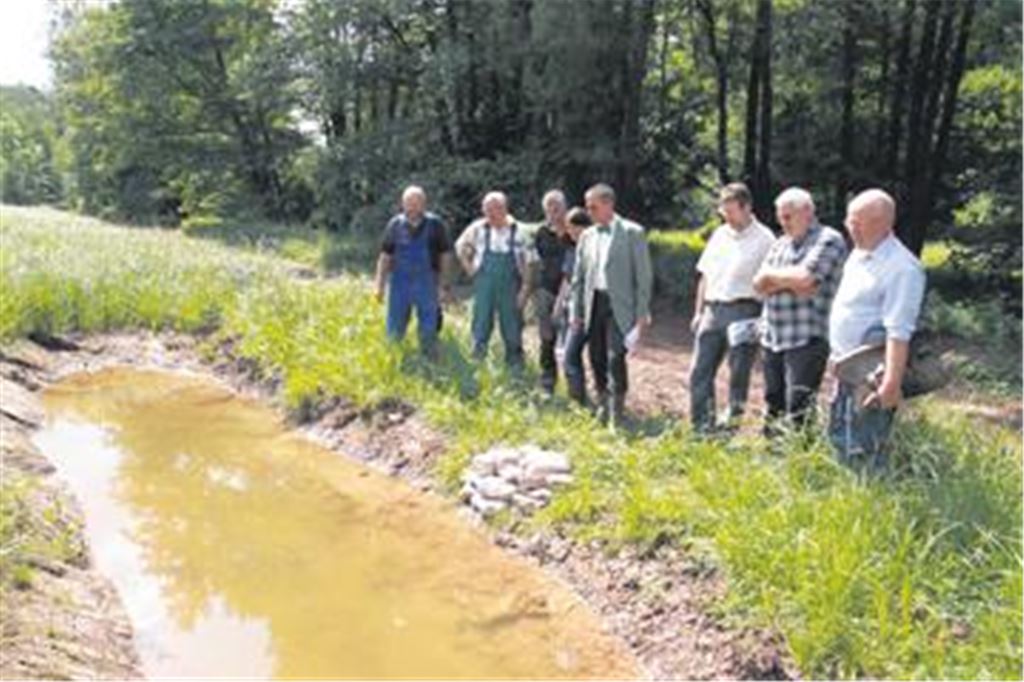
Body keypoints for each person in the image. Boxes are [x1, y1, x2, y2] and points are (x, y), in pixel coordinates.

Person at [828, 189, 926, 468]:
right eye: (850, 221)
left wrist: (891, 384)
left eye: (860, 222)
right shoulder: (858, 256)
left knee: (863, 446)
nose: (851, 228)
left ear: (884, 224)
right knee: (840, 436)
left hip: (872, 375)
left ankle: (869, 503)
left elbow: (899, 331)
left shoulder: (903, 268)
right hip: (846, 367)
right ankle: (845, 501)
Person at [753, 187, 847, 433]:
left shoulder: (829, 239)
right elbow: (758, 284)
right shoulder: (780, 244)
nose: (782, 223)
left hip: (807, 337)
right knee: (773, 401)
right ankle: (772, 456)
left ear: (807, 211)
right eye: (780, 217)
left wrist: (776, 280)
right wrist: (789, 282)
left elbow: (805, 279)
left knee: (798, 405)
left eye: (787, 216)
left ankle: (798, 461)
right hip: (773, 335)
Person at [688, 182, 776, 433]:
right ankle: (702, 428)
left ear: (746, 207)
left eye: (730, 211)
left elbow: (770, 282)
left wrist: (764, 320)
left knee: (738, 374)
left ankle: (729, 428)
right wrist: (698, 312)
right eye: (723, 212)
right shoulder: (720, 234)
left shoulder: (765, 239)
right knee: (700, 370)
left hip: (745, 310)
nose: (725, 217)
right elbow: (705, 275)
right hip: (713, 310)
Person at [566, 183, 653, 426]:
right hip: (594, 301)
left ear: (608, 204)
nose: (588, 212)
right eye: (587, 206)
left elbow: (643, 277)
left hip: (620, 305)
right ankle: (603, 404)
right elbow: (578, 277)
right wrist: (576, 311)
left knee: (616, 357)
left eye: (593, 207)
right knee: (596, 357)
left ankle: (617, 412)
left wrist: (642, 313)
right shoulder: (587, 236)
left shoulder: (632, 232)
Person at [455, 191, 534, 368]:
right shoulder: (478, 228)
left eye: (493, 210)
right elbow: (460, 246)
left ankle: (516, 370)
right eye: (486, 210)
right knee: (480, 324)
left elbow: (529, 261)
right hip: (484, 285)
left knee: (512, 328)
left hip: (510, 286)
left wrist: (525, 289)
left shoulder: (519, 231)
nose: (489, 214)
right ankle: (476, 366)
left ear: (504, 209)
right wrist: (469, 268)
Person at [375, 185, 451, 356]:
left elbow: (445, 255)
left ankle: (428, 357)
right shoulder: (395, 224)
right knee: (395, 323)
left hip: (427, 283)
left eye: (417, 203)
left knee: (428, 324)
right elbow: (385, 256)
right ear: (402, 204)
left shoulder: (435, 224)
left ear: (424, 204)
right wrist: (379, 285)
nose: (412, 207)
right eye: (409, 202)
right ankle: (393, 358)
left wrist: (443, 285)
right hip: (399, 284)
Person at [532, 190, 574, 393]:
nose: (553, 210)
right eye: (549, 207)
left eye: (557, 206)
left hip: (570, 293)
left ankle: (574, 383)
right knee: (546, 336)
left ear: (565, 207)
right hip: (545, 290)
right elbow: (535, 260)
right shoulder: (541, 232)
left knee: (569, 338)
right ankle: (548, 380)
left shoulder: (574, 231)